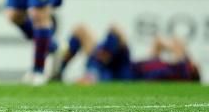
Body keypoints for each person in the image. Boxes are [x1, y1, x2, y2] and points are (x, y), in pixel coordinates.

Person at [54, 23, 201, 84]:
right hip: (125, 66)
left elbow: (178, 44)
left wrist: (182, 54)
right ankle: (89, 71)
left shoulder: (182, 68)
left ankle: (93, 72)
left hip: (127, 72)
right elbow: (159, 42)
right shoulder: (165, 64)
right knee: (82, 31)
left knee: (115, 34)